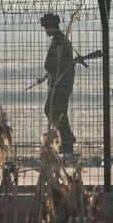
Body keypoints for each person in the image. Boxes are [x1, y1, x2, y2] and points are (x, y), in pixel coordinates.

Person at [40, 13, 76, 154]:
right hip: (59, 81)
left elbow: (54, 64)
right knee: (55, 110)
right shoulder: (59, 40)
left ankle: (67, 139)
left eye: (47, 28)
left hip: (62, 82)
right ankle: (67, 139)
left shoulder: (60, 42)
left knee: (54, 109)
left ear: (52, 27)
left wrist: (52, 70)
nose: (46, 31)